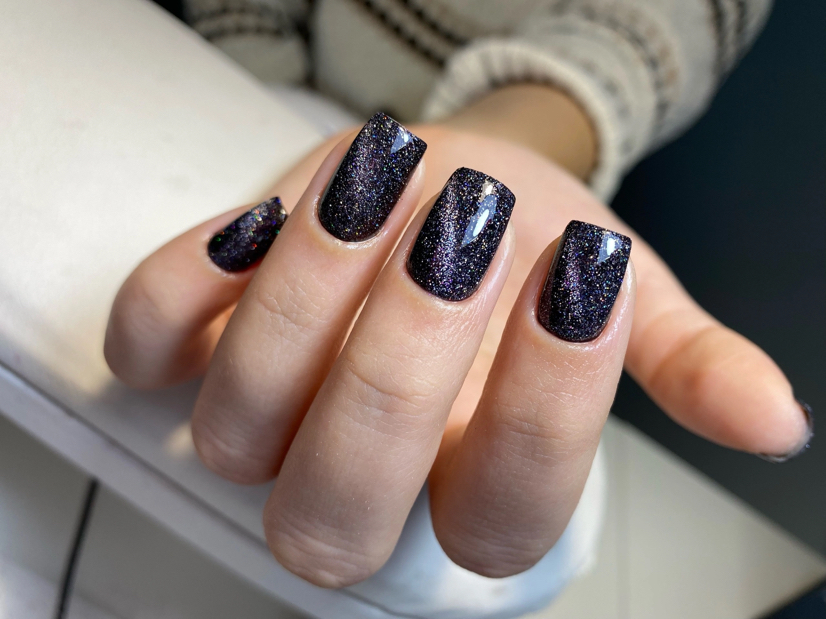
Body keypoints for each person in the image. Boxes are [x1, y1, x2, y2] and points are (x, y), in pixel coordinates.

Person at [104, 0, 812, 600]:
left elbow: (637, 39)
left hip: (467, 131)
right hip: (235, 98)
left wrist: (493, 138)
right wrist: (276, 113)